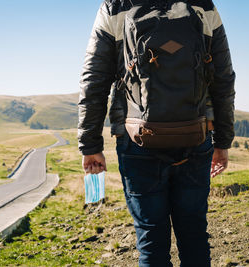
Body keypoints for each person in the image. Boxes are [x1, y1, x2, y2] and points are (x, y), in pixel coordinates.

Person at [78, 0, 235, 266]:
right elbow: (223, 78)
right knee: (194, 236)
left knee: (151, 242)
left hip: (137, 142)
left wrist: (90, 145)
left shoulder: (115, 7)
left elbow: (94, 79)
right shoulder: (202, 5)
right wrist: (223, 140)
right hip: (195, 137)